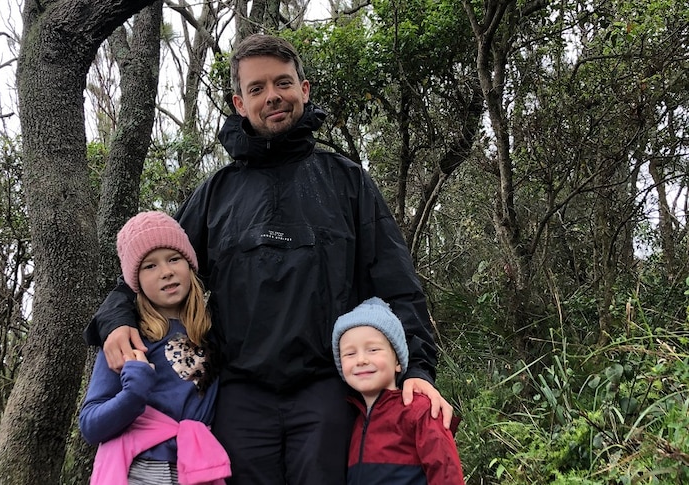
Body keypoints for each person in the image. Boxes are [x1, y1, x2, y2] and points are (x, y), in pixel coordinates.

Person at [84, 34, 453, 484]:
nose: (272, 96)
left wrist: (417, 369)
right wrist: (116, 318)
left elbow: (396, 284)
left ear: (304, 89)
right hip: (239, 394)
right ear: (240, 103)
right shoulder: (216, 193)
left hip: (325, 391)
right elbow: (152, 265)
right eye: (257, 88)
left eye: (283, 83)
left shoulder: (347, 182)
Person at [79, 211, 230, 485]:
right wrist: (133, 393)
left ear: (190, 265)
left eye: (174, 259)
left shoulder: (213, 332)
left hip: (199, 467)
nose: (166, 271)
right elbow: (90, 426)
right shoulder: (128, 337)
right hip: (141, 468)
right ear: (134, 281)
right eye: (150, 266)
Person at [333, 297, 464, 484]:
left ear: (397, 361)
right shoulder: (354, 421)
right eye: (350, 353)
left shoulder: (418, 409)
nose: (361, 360)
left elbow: (446, 471)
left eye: (373, 349)